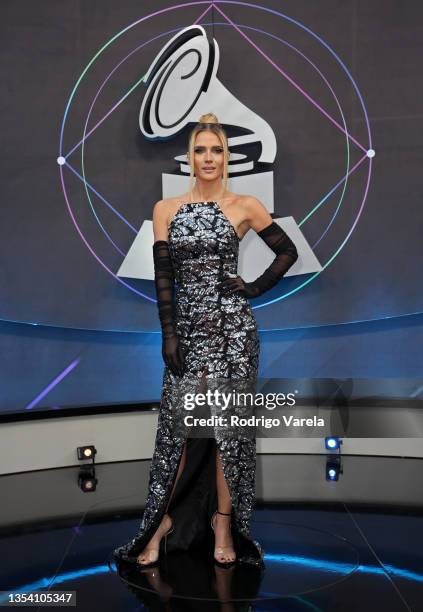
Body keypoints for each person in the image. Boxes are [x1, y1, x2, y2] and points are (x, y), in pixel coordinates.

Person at [113, 112, 298, 569]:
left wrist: (252, 288)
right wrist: (169, 335)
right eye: (201, 150)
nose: (209, 158)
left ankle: (222, 521)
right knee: (177, 432)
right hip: (189, 335)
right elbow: (164, 280)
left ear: (226, 157)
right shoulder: (165, 210)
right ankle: (161, 522)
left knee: (227, 434)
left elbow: (287, 252)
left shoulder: (245, 205)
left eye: (217, 150)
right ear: (190, 158)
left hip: (234, 332)